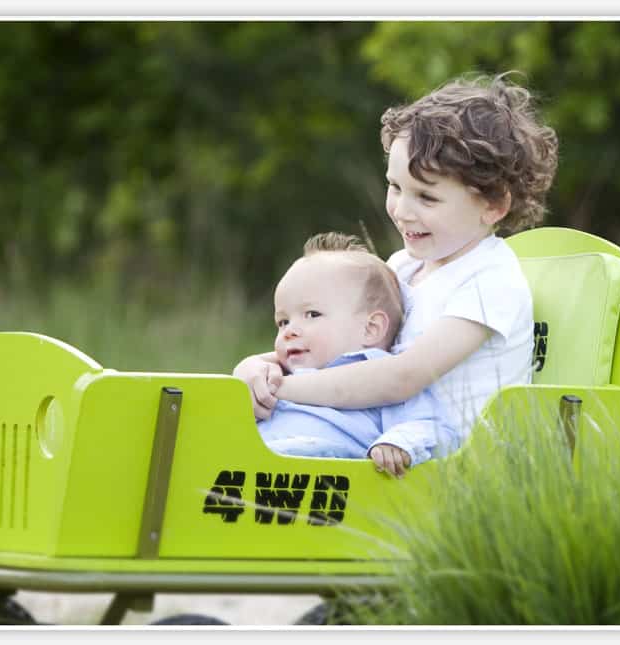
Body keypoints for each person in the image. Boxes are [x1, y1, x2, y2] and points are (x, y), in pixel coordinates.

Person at [234, 72, 559, 478]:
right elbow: (345, 344)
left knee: (259, 455)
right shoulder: (403, 265)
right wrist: (256, 368)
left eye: (426, 196)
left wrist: (283, 388)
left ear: (492, 204)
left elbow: (403, 377)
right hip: (382, 440)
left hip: (447, 463)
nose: (403, 210)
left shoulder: (490, 282)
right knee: (239, 439)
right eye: (395, 187)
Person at [258, 232, 459, 477]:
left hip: (324, 465)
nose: (289, 331)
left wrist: (397, 443)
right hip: (257, 460)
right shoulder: (279, 372)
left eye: (312, 314)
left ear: (370, 329)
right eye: (283, 321)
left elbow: (433, 425)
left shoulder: (378, 374)